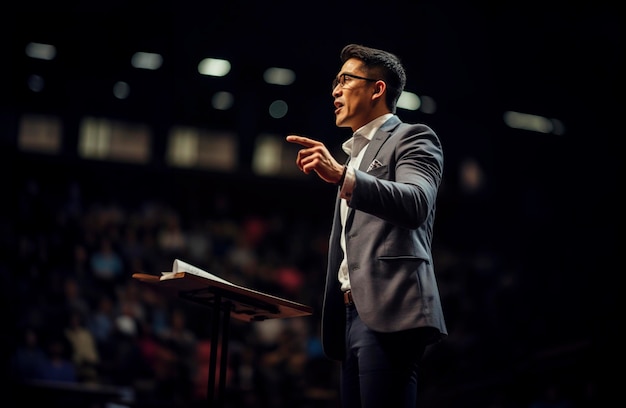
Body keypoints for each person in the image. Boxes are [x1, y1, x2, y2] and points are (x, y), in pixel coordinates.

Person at [286, 43, 448, 408]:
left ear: (378, 89)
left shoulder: (413, 137)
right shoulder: (355, 154)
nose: (335, 90)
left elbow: (417, 202)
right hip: (349, 315)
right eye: (335, 82)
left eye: (346, 79)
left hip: (390, 310)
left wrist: (345, 176)